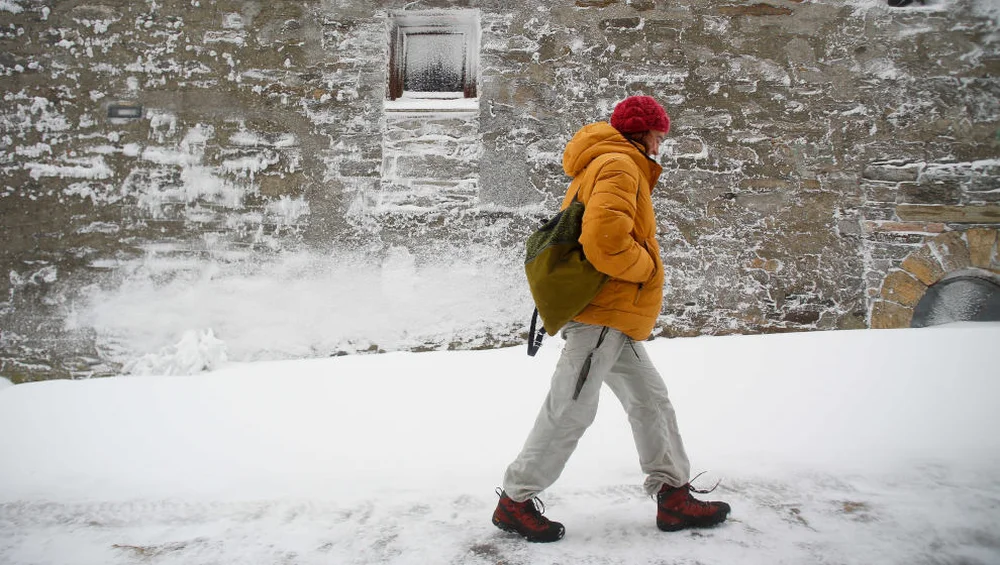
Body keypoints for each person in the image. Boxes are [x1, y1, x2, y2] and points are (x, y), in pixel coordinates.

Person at [491, 95, 731, 543]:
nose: (661, 145)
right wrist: (649, 268)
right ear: (643, 133)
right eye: (659, 135)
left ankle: (673, 495)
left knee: (651, 400)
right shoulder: (620, 165)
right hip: (603, 314)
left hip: (614, 317)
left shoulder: (608, 162)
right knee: (571, 407)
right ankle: (515, 501)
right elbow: (604, 240)